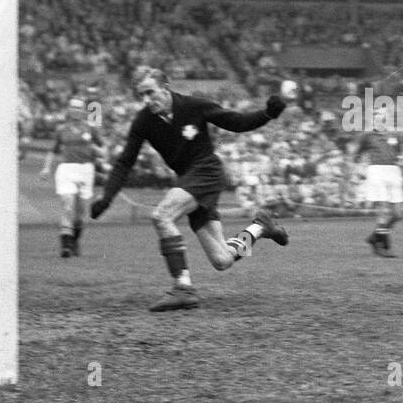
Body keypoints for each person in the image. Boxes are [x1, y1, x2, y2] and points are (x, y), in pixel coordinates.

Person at [89, 66, 289, 311]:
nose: (146, 100)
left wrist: (268, 114)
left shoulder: (194, 106)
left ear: (165, 88)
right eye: (141, 95)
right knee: (222, 260)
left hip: (207, 172)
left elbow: (236, 122)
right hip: (188, 180)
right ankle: (260, 227)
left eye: (150, 92)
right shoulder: (143, 121)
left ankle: (183, 287)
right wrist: (107, 197)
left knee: (162, 215)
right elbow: (125, 162)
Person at [40, 96, 103, 258]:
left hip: (86, 170)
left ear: (83, 111)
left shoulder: (91, 128)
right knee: (67, 206)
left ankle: (74, 240)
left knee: (81, 213)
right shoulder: (62, 129)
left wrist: (101, 156)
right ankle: (66, 246)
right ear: (69, 110)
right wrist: (46, 168)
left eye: (79, 107)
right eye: (73, 107)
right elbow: (52, 151)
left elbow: (103, 148)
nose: (76, 110)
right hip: (67, 169)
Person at [353, 110, 403, 257]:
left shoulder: (396, 135)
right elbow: (357, 154)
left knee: (398, 213)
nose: (380, 121)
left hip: (394, 172)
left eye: (383, 118)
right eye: (377, 118)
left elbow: (400, 153)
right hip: (376, 171)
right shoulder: (367, 136)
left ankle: (376, 237)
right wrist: (358, 170)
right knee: (382, 209)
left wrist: (401, 158)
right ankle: (382, 244)